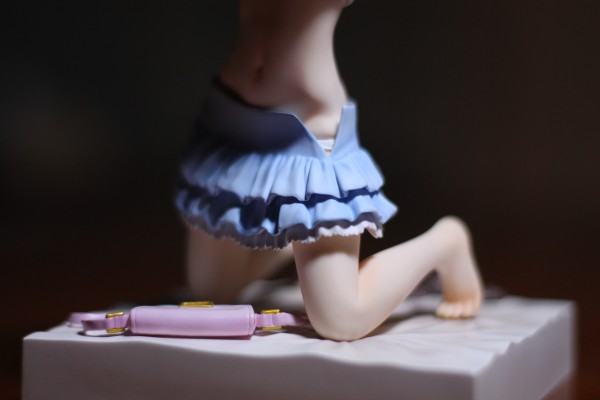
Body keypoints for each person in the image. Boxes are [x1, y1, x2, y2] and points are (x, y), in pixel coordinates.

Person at [176, 0, 482, 341]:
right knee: (212, 294)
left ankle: (445, 241)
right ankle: (294, 240)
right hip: (231, 121)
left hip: (306, 133)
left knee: (341, 320)